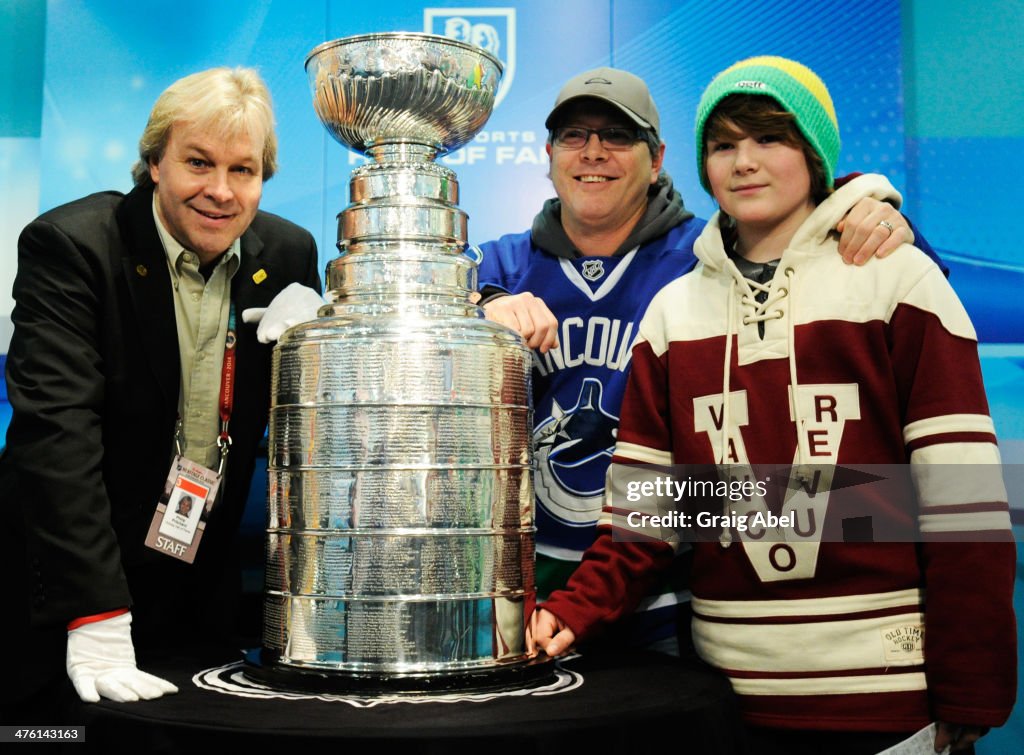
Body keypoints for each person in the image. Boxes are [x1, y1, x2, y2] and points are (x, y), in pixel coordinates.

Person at [530, 57, 1014, 753]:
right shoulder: (674, 312)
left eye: (771, 139)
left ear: (815, 155)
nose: (745, 162)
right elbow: (646, 519)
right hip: (723, 699)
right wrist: (566, 614)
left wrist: (973, 679)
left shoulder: (899, 280)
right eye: (724, 144)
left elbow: (961, 501)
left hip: (889, 698)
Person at [475, 66, 940, 652]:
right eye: (574, 136)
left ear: (658, 156)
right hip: (531, 589)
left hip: (676, 586)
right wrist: (476, 307)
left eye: (618, 136)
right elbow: (405, 307)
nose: (593, 152)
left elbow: (872, 269)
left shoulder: (709, 259)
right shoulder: (499, 263)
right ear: (547, 154)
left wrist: (863, 205)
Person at [0, 67, 322, 712]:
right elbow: (56, 434)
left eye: (244, 170)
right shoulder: (72, 246)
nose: (221, 192)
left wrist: (328, 343)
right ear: (154, 161)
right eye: (197, 163)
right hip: (67, 577)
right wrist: (94, 613)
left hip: (199, 586)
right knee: (48, 738)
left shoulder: (286, 253)